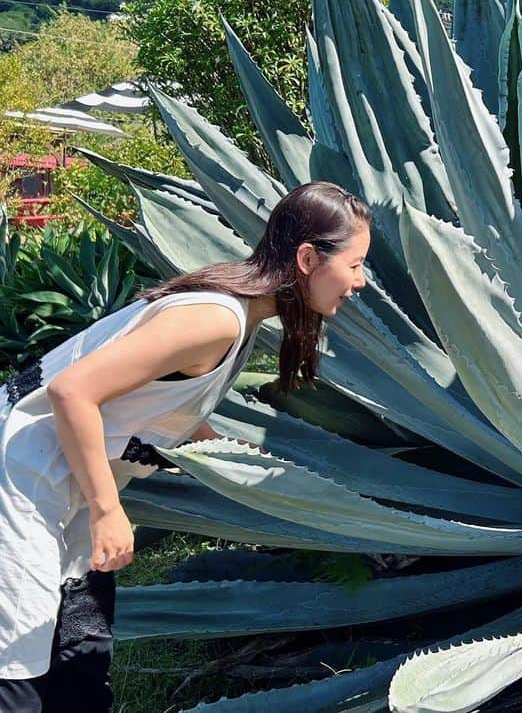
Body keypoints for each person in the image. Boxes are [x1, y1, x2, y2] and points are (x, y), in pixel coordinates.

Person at [0, 181, 371, 711]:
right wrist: (109, 511)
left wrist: (234, 461)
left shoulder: (239, 318)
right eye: (355, 264)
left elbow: (164, 405)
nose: (359, 282)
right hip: (20, 480)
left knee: (80, 659)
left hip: (63, 483)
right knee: (19, 674)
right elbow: (71, 391)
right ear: (309, 258)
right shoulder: (214, 317)